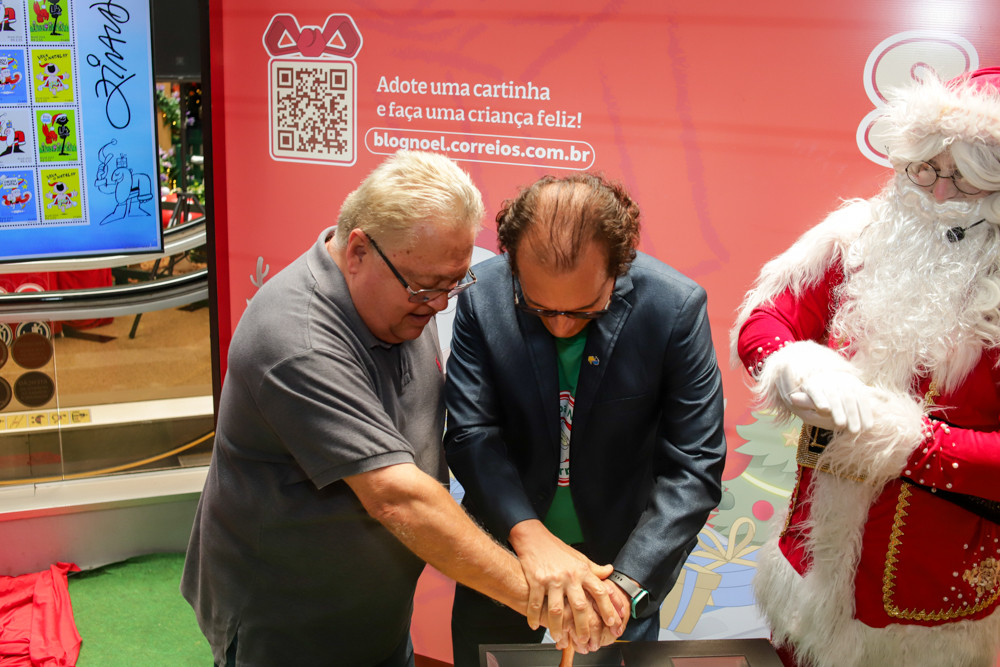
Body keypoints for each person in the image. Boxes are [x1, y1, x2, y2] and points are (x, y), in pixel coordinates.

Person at [181, 151, 623, 667]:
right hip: (287, 629)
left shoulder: (400, 293)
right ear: (358, 251)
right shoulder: (297, 340)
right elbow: (398, 497)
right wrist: (548, 602)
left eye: (453, 283)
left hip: (377, 618)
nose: (440, 305)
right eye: (425, 287)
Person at [732, 67, 1000, 667]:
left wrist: (913, 446)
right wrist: (794, 365)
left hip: (930, 594)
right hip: (810, 573)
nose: (938, 194)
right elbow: (767, 318)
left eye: (966, 178)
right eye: (926, 168)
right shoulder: (859, 237)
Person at [444, 172, 727, 666]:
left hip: (618, 565)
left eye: (585, 310)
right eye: (538, 307)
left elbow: (695, 465)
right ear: (513, 265)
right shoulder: (481, 296)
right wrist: (528, 535)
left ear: (620, 266)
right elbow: (472, 434)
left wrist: (626, 586)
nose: (560, 325)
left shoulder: (674, 308)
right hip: (505, 550)